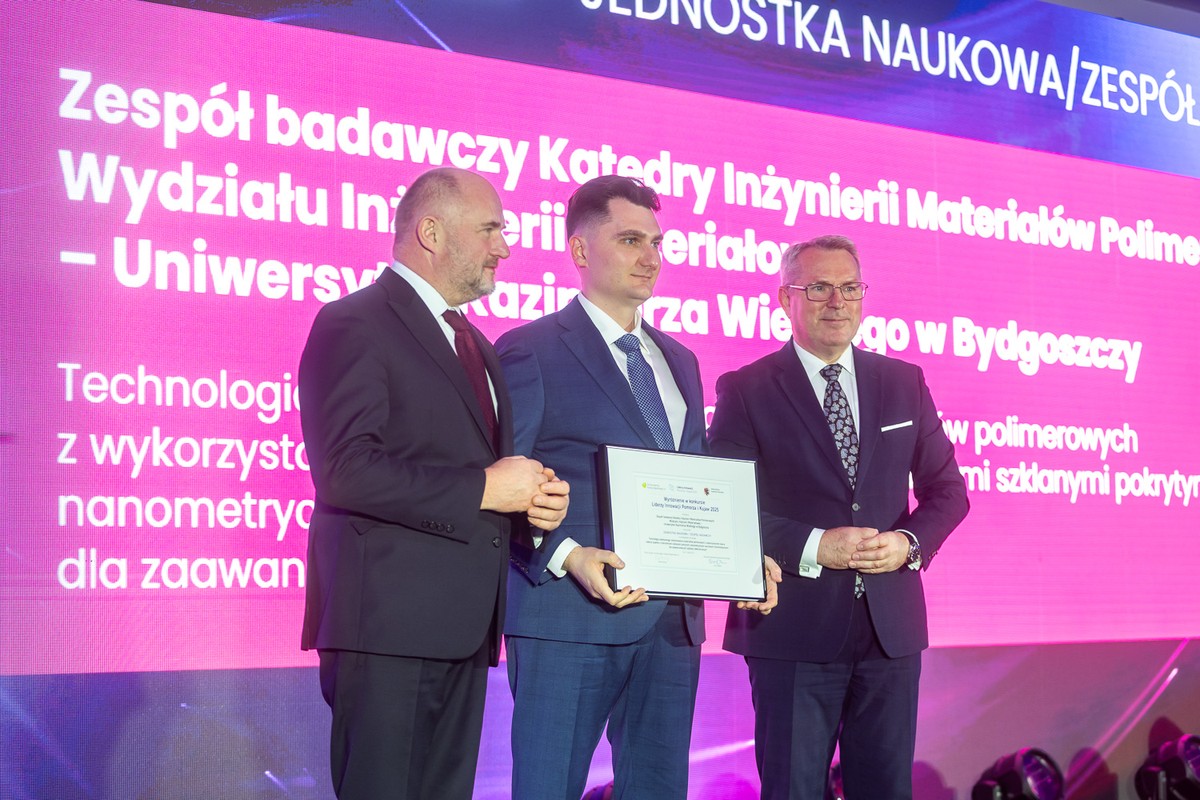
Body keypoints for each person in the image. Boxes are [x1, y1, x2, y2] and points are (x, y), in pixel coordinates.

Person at [496, 175, 777, 799]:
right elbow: (501, 487)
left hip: (671, 624)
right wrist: (567, 556)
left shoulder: (680, 361)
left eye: (656, 242)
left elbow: (696, 482)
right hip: (567, 617)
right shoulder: (530, 350)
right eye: (630, 240)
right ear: (579, 250)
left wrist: (741, 555)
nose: (650, 256)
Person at [297, 167, 569, 800]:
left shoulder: (476, 344)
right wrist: (484, 489)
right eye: (490, 230)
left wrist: (530, 505)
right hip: (386, 628)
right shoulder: (354, 321)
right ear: (431, 232)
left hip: (464, 629)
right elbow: (344, 470)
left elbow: (479, 475)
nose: (505, 247)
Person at [708, 234, 969, 799]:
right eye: (819, 288)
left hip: (890, 630)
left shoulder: (902, 381)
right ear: (786, 298)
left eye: (850, 288)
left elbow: (949, 491)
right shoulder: (747, 389)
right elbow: (724, 502)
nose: (837, 302)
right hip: (792, 629)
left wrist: (908, 542)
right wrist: (813, 545)